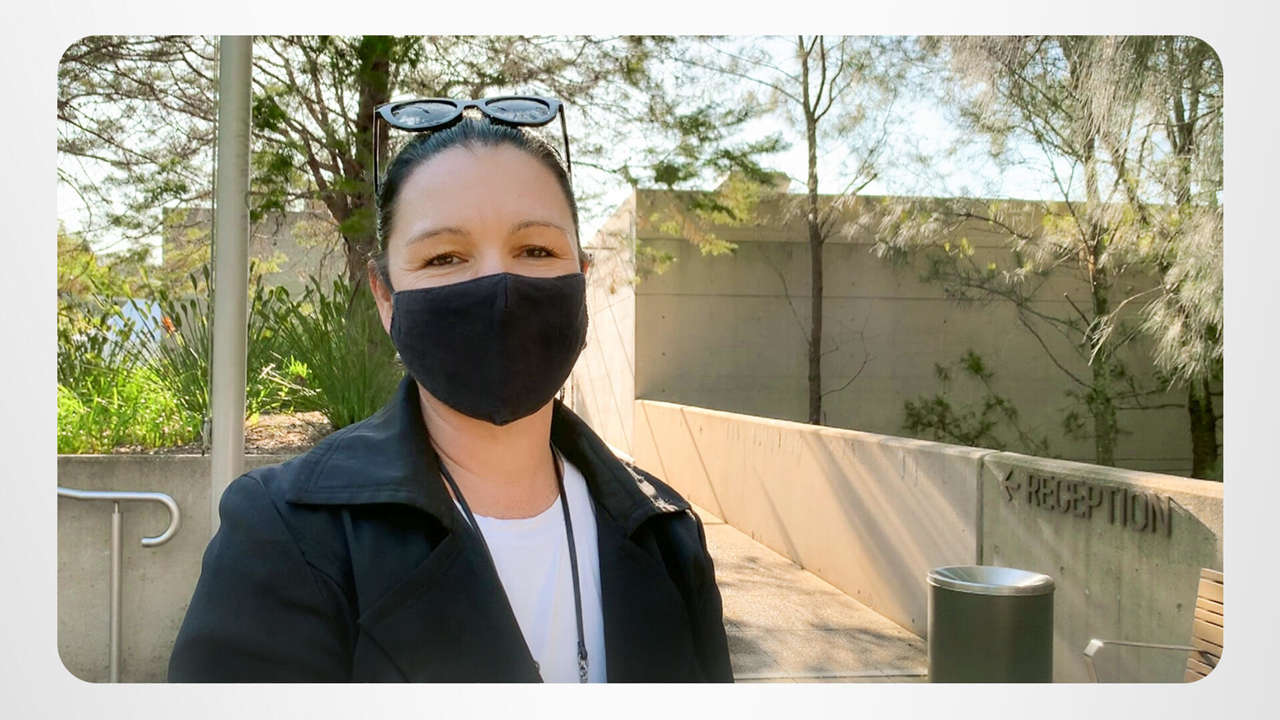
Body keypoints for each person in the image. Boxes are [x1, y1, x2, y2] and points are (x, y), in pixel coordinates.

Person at [167, 96, 733, 683]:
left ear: (581, 279)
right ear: (385, 298)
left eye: (536, 250)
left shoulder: (669, 535)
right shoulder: (283, 534)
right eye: (443, 257)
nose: (497, 285)